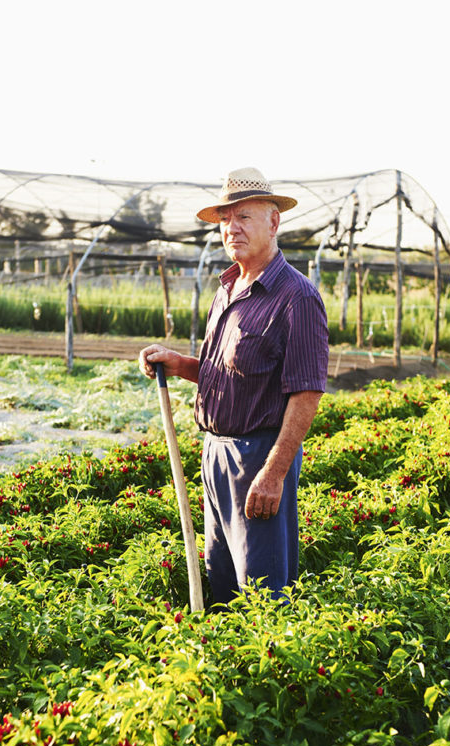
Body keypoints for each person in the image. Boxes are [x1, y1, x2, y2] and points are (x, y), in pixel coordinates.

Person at [139, 167, 329, 605]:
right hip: (216, 453)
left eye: (243, 216)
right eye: (225, 219)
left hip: (258, 457)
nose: (232, 228)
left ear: (273, 222)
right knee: (221, 579)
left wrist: (275, 473)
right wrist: (180, 363)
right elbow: (221, 370)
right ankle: (226, 668)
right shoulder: (227, 288)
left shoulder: (295, 297)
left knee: (262, 591)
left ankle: (269, 670)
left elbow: (307, 392)